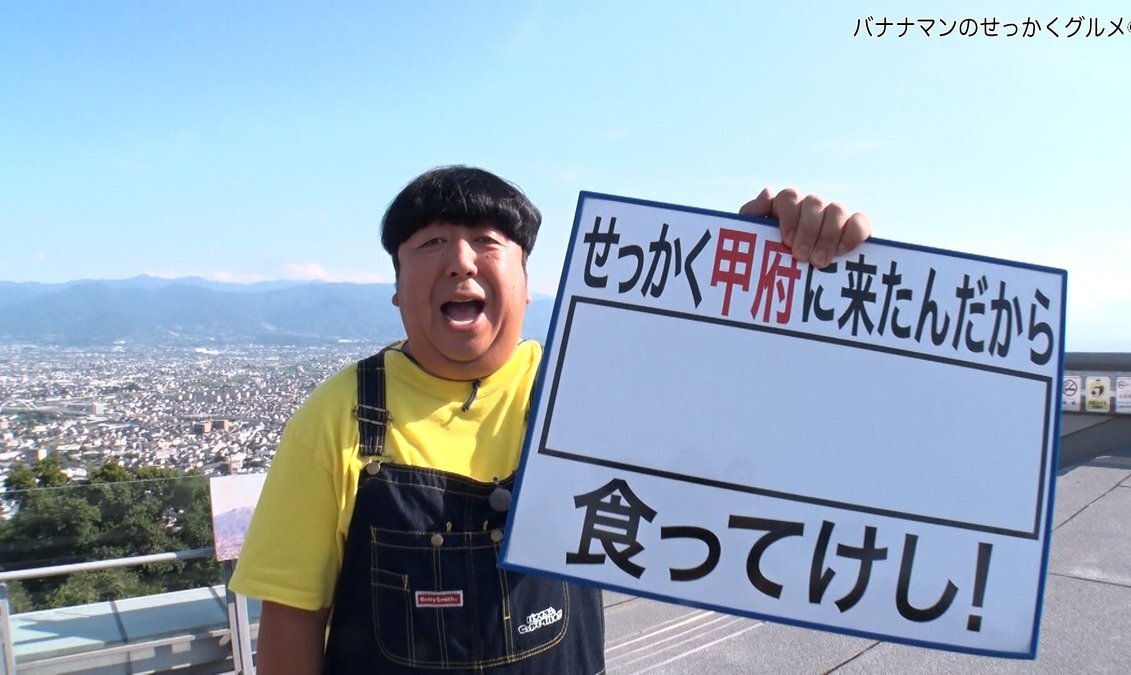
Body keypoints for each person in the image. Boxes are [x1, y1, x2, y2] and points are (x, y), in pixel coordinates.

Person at [229, 166, 872, 674]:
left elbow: (725, 396)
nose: (461, 260)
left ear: (528, 283)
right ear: (396, 287)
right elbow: (292, 621)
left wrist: (771, 255)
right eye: (430, 243)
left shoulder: (584, 383)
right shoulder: (337, 416)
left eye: (488, 241)